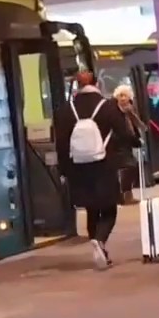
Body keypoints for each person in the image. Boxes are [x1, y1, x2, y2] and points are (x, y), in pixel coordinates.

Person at [54, 70, 138, 269]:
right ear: (97, 83)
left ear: (77, 86)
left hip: (78, 167)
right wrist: (136, 142)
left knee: (92, 208)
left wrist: (64, 170)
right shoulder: (108, 107)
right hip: (104, 165)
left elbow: (61, 144)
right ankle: (99, 240)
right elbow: (123, 133)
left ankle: (97, 243)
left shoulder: (66, 110)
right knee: (109, 207)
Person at [111, 84, 146, 205]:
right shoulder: (115, 111)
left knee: (130, 167)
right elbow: (122, 130)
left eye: (125, 95)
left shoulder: (130, 110)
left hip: (126, 144)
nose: (123, 98)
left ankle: (126, 195)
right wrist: (136, 141)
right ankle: (125, 196)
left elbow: (134, 127)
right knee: (130, 166)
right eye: (120, 95)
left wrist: (137, 139)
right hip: (117, 144)